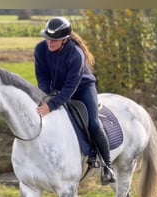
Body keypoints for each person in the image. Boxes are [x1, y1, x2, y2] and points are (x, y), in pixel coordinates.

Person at [34, 16, 116, 185]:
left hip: (82, 89)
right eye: (48, 39)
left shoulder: (75, 53)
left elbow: (72, 85)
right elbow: (42, 76)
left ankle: (107, 167)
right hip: (56, 89)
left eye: (55, 40)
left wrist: (52, 105)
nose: (50, 43)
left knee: (93, 123)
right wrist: (47, 94)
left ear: (64, 40)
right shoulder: (40, 49)